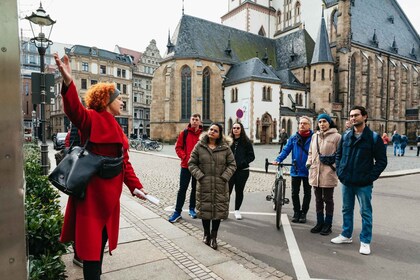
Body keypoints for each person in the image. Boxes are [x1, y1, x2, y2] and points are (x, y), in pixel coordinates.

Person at [54, 53, 149, 279]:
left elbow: (124, 163)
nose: (122, 101)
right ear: (106, 101)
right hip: (92, 197)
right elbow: (73, 110)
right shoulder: (91, 119)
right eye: (118, 98)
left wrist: (136, 187)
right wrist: (68, 82)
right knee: (91, 250)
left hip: (110, 198)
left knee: (101, 242)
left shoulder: (117, 126)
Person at [331, 106, 387, 255]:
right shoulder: (346, 135)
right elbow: (339, 155)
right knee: (346, 209)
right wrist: (340, 172)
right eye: (351, 116)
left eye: (356, 115)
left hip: (363, 183)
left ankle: (365, 241)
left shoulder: (374, 137)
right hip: (347, 181)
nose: (353, 118)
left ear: (365, 116)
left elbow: (381, 161)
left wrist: (370, 177)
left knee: (365, 212)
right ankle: (346, 234)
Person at [188, 123, 236, 250]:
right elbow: (191, 163)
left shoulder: (225, 148)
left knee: (217, 212)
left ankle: (214, 237)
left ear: (219, 134)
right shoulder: (199, 146)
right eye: (210, 129)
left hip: (220, 184)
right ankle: (206, 234)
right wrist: (200, 176)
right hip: (204, 183)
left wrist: (224, 177)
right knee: (205, 210)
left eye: (215, 130)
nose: (212, 132)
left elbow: (232, 165)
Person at [273, 116, 313, 223]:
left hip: (308, 170)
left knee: (307, 193)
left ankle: (304, 213)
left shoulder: (314, 138)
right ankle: (296, 212)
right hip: (295, 169)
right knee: (295, 192)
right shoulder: (293, 138)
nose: (302, 125)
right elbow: (286, 150)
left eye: (305, 123)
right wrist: (278, 159)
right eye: (300, 123)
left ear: (309, 125)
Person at [306, 114, 341, 236]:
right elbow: (311, 152)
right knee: (318, 199)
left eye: (324, 121)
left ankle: (328, 224)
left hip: (328, 172)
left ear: (329, 122)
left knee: (328, 199)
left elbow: (339, 155)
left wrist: (335, 167)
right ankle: (319, 222)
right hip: (315, 172)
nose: (322, 124)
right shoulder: (314, 136)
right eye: (320, 121)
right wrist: (309, 163)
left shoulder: (337, 137)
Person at [168, 113, 203, 223]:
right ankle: (177, 212)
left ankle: (192, 209)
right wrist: (185, 157)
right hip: (186, 166)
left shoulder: (203, 135)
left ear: (200, 122)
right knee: (182, 189)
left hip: (197, 167)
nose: (194, 121)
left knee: (195, 189)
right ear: (190, 120)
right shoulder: (185, 133)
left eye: (196, 119)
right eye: (193, 119)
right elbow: (178, 147)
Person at [228, 122, 255, 220]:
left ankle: (237, 210)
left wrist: (242, 163)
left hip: (242, 171)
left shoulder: (246, 142)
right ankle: (225, 210)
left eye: (238, 128)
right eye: (234, 128)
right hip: (230, 171)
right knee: (227, 191)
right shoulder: (228, 141)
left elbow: (252, 156)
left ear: (241, 129)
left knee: (239, 191)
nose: (235, 129)